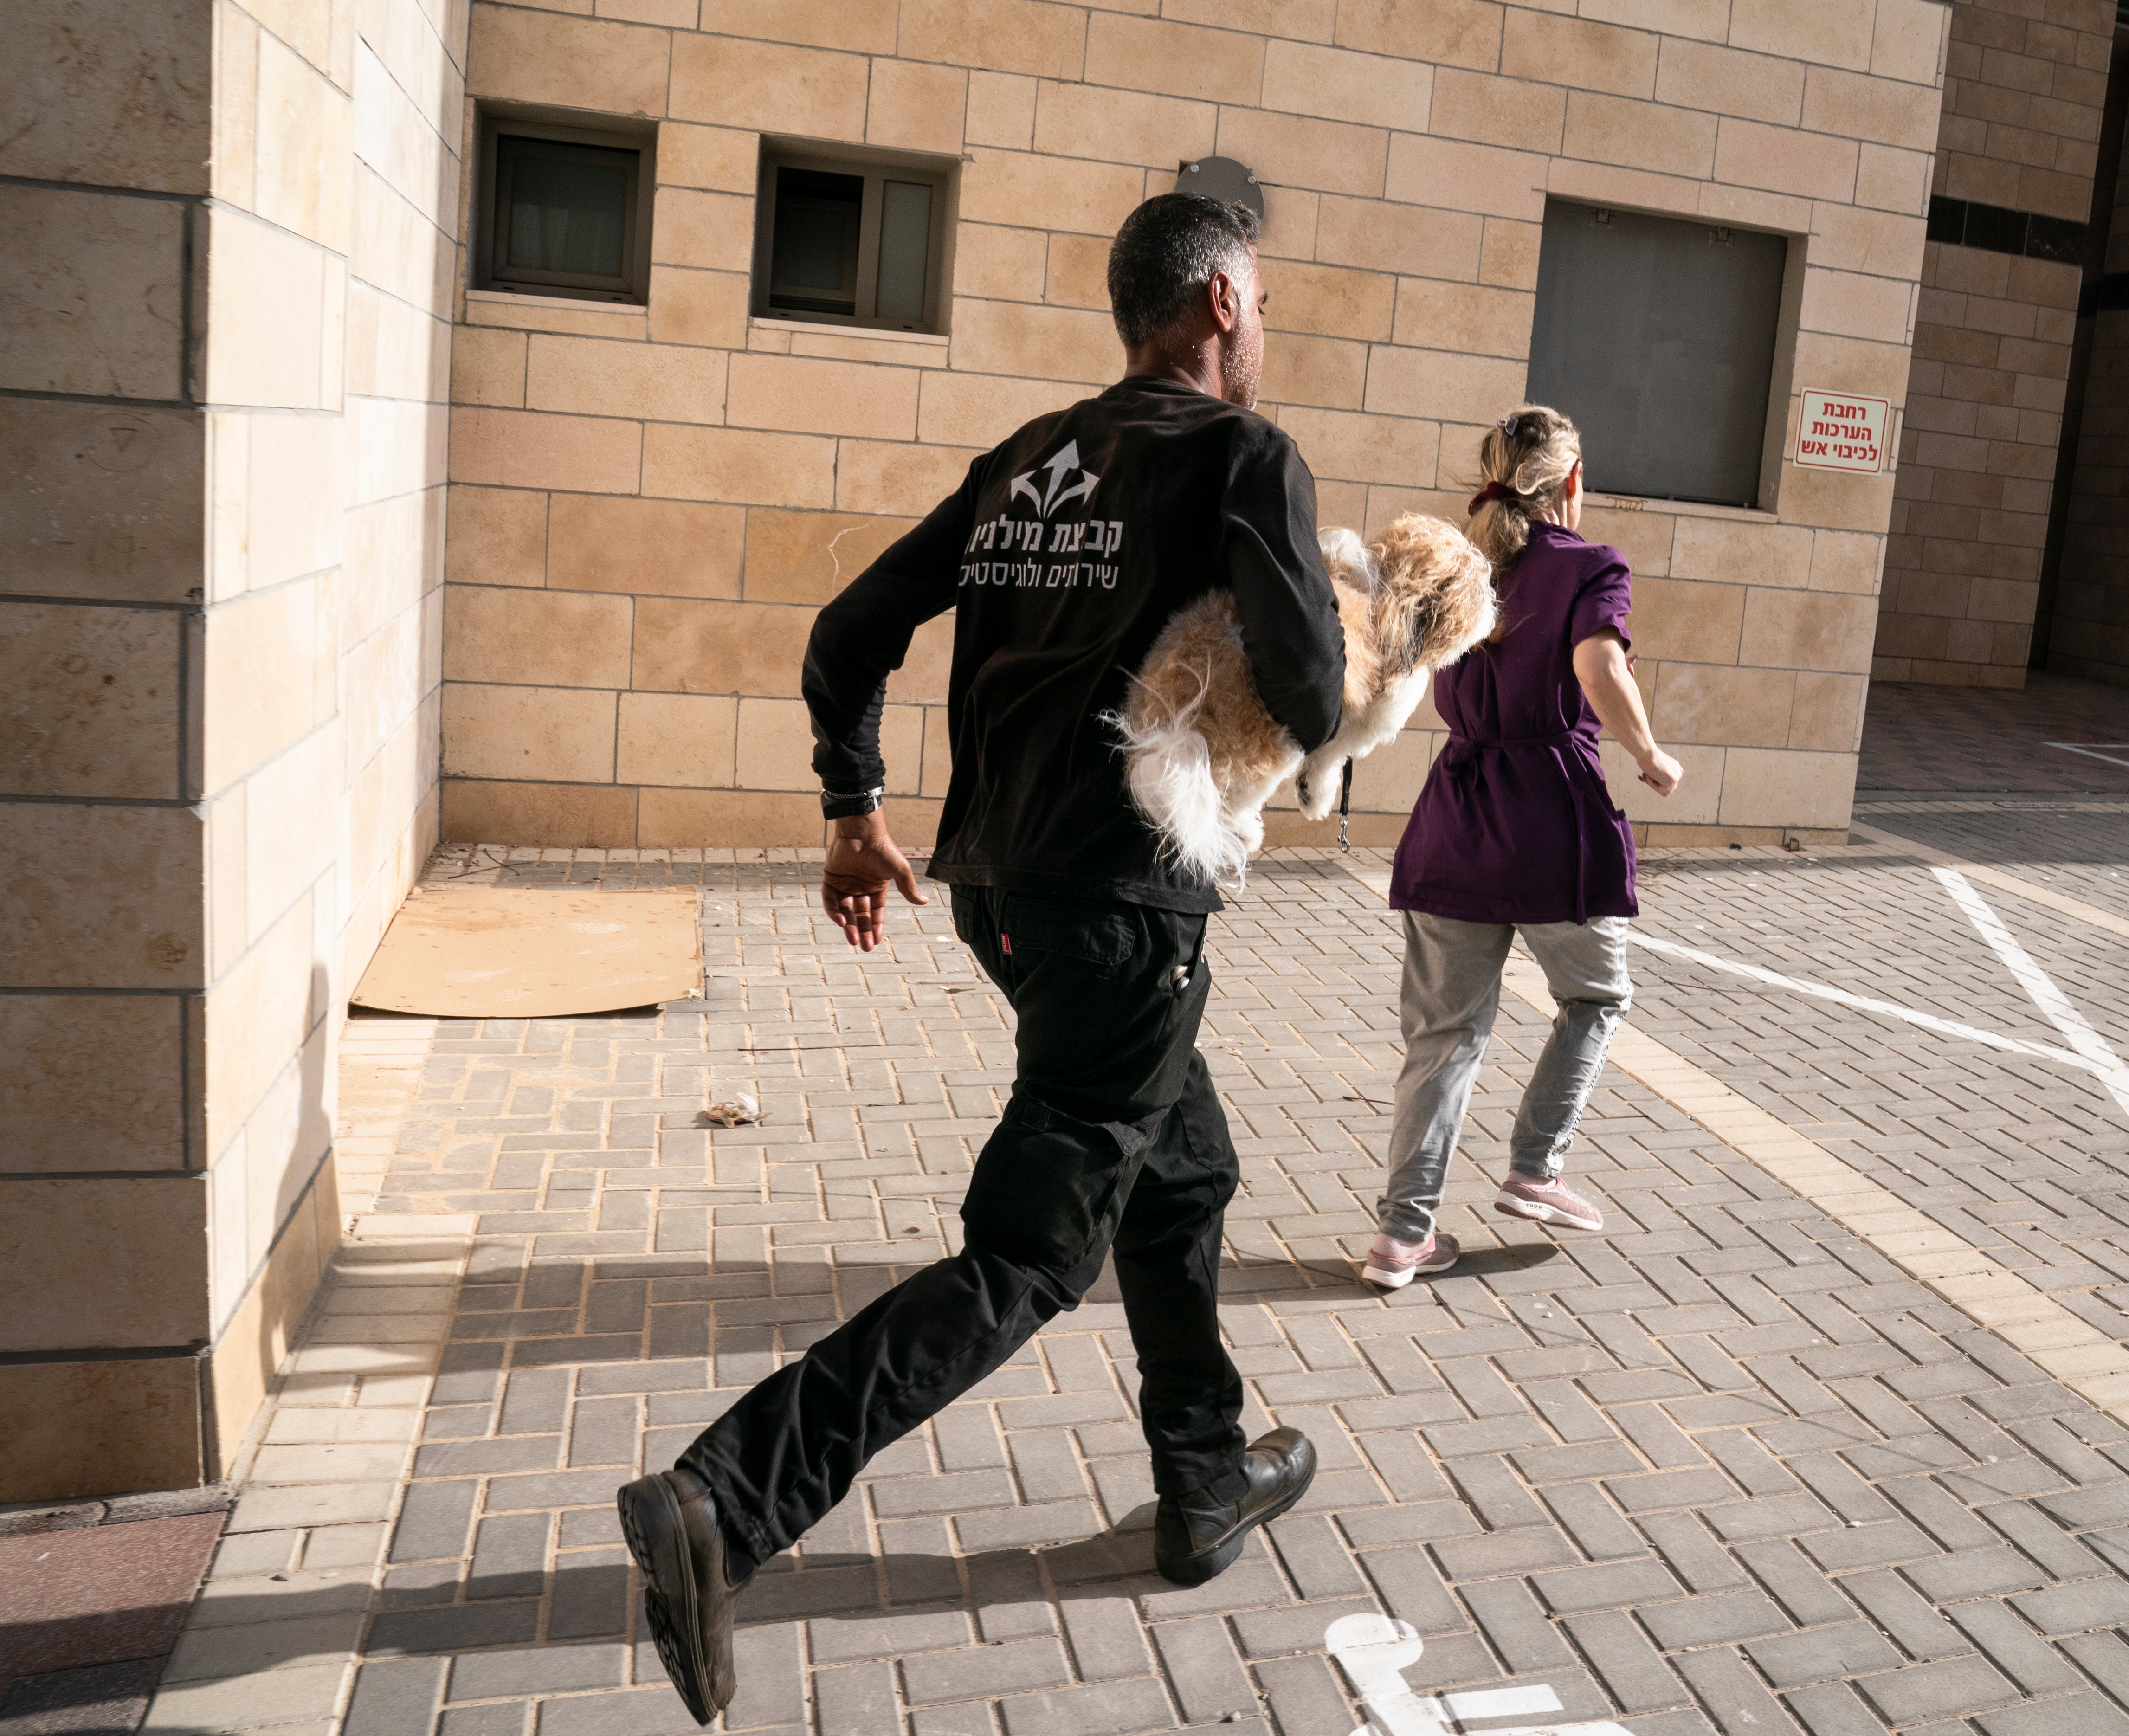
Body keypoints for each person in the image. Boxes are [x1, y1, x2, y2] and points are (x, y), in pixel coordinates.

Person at [615, 193, 1341, 1725]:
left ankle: (1202, 1477)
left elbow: (847, 631)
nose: (1264, 327)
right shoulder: (1241, 458)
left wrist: (848, 805)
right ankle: (726, 1500)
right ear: (1216, 300)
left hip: (1002, 893)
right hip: (1122, 910)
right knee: (1032, 1251)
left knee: (1182, 1165)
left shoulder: (1029, 462)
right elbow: (1315, 696)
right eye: (1260, 299)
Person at [1358, 406, 1685, 1290]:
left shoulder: (1455, 567)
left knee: (1443, 1039)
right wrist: (1650, 756)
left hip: (1456, 817)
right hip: (1551, 822)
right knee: (1596, 993)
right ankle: (1536, 1168)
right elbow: (1598, 667)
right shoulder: (1590, 565)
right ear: (1573, 483)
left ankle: (1401, 1238)